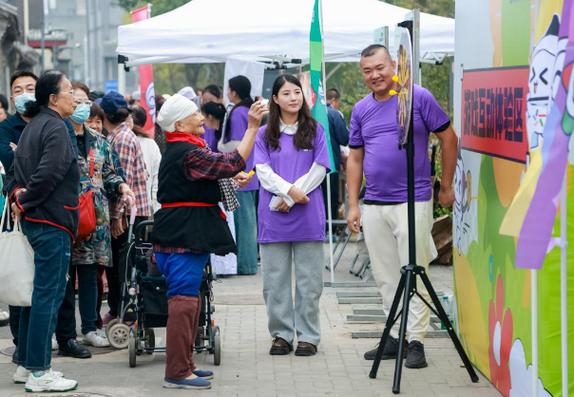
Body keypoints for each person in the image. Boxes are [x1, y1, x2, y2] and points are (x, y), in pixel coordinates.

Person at [346, 44, 457, 368]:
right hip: (375, 203)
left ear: (394, 64)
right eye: (367, 70)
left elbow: (449, 139)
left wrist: (446, 186)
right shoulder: (361, 109)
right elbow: (355, 157)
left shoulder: (417, 97)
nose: (374, 75)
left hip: (414, 199)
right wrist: (353, 205)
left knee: (415, 269)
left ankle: (416, 340)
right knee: (384, 273)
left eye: (380, 67)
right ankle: (394, 335)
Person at [152, 93, 266, 389]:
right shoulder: (187, 152)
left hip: (183, 232)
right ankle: (177, 371)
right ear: (180, 123)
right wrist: (252, 127)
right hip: (184, 234)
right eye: (195, 115)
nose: (202, 118)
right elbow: (231, 161)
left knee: (190, 299)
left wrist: (229, 178)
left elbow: (216, 173)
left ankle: (186, 365)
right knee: (184, 301)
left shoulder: (185, 149)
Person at [5, 70, 79, 392]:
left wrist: (20, 197)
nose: (74, 96)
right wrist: (27, 198)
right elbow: (50, 173)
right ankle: (38, 371)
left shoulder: (35, 126)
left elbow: (15, 174)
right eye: (69, 90)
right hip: (51, 222)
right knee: (48, 295)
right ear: (53, 97)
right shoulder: (56, 127)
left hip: (39, 221)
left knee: (40, 296)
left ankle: (25, 363)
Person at [56, 82, 134, 356]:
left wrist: (121, 186)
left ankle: (90, 327)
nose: (81, 107)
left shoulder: (100, 141)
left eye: (85, 102)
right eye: (75, 101)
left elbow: (111, 173)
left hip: (95, 217)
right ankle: (62, 331)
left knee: (90, 274)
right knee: (63, 277)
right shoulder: (57, 137)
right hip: (65, 215)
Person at [254, 74, 330, 357]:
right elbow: (262, 171)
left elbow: (320, 168)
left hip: (308, 213)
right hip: (273, 216)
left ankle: (308, 336)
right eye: (286, 93)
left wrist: (293, 194)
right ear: (275, 99)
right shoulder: (264, 134)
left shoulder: (315, 129)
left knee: (310, 281)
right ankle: (281, 335)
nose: (293, 98)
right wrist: (288, 193)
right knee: (275, 282)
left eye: (297, 92)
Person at [101, 91, 152, 324]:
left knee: (123, 268)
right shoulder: (121, 135)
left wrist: (117, 217)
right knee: (124, 266)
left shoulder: (120, 139)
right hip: (132, 212)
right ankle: (121, 309)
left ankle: (125, 311)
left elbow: (125, 181)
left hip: (130, 214)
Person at [0, 70, 38, 363]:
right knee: (19, 275)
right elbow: (7, 158)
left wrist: (20, 153)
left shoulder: (48, 122)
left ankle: (60, 337)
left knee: (50, 280)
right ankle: (20, 343)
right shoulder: (6, 127)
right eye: (18, 89)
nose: (24, 93)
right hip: (17, 211)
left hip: (48, 211)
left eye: (30, 87)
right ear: (12, 96)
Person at [220, 75, 259, 275]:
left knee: (243, 223)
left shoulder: (237, 113)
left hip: (240, 174)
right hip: (253, 173)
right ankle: (249, 263)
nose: (227, 93)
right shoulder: (250, 111)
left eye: (229, 89)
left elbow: (235, 147)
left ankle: (246, 265)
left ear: (234, 91)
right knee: (249, 222)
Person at [322, 87, 348, 236]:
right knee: (330, 197)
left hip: (310, 165)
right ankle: (330, 231)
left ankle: (320, 229)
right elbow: (345, 138)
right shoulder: (334, 114)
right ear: (333, 100)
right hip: (330, 162)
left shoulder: (310, 112)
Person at [131, 104, 161, 213]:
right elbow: (157, 178)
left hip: (137, 207)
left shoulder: (150, 144)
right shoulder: (150, 143)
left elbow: (156, 176)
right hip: (144, 207)